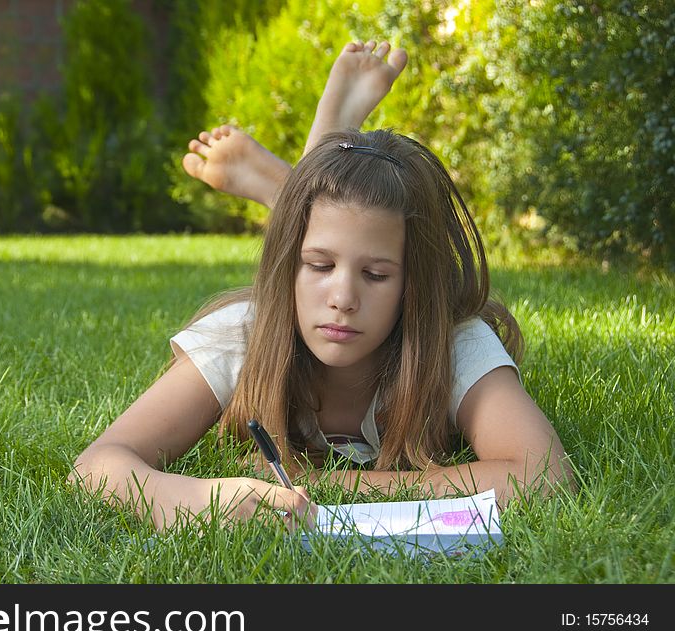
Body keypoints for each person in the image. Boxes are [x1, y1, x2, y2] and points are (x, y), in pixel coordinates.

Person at [68, 40, 574, 531]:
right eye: (318, 266)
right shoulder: (242, 336)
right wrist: (193, 498)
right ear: (289, 268)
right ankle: (301, 189)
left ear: (413, 285)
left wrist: (338, 484)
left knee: (332, 234)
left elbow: (546, 476)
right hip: (276, 306)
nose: (343, 299)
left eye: (376, 275)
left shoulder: (452, 340)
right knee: (321, 244)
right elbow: (95, 467)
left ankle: (298, 188)